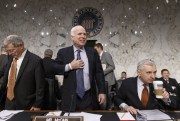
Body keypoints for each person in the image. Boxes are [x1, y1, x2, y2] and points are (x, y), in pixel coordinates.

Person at [55, 25, 106, 111]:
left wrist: (101, 91)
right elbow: (55, 68)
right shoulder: (63, 52)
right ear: (72, 37)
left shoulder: (92, 52)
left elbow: (99, 73)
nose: (83, 36)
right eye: (79, 34)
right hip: (70, 97)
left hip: (89, 97)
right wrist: (70, 66)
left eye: (84, 34)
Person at [0, 35, 45, 110]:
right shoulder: (11, 58)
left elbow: (40, 86)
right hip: (8, 102)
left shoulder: (35, 61)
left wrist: (37, 104)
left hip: (26, 104)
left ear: (21, 46)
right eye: (8, 51)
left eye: (11, 50)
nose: (10, 53)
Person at [94, 43, 116, 110]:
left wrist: (101, 73)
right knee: (103, 96)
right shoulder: (97, 56)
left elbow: (112, 66)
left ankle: (109, 109)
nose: (94, 50)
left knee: (108, 96)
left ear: (99, 48)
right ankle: (103, 109)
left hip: (108, 80)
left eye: (95, 49)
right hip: (102, 81)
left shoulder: (106, 54)